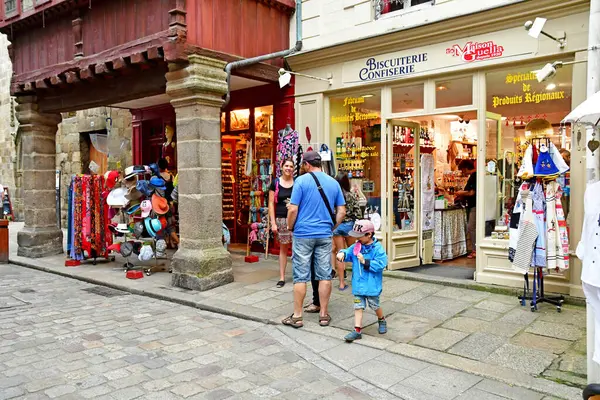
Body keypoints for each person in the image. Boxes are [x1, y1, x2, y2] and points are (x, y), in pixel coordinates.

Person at [282, 151, 346, 329]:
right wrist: (332, 227)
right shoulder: (333, 182)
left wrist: (290, 226)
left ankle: (297, 316)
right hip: (324, 234)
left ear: (306, 164)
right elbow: (342, 211)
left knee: (300, 276)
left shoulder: (301, 181)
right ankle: (324, 315)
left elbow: (293, 209)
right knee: (325, 274)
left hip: (303, 234)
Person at [336, 220, 388, 342]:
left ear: (369, 235)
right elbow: (347, 252)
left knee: (374, 305)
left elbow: (381, 264)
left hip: (371, 284)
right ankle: (357, 330)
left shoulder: (377, 248)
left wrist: (365, 261)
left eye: (359, 236)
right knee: (358, 306)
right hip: (359, 283)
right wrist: (341, 254)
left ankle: (381, 319)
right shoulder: (356, 246)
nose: (356, 238)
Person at [332, 172, 361, 291]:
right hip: (349, 225)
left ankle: (341, 283)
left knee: (340, 253)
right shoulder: (351, 195)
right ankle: (357, 280)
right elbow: (358, 212)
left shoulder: (333, 196)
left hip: (337, 226)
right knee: (354, 252)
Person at [269, 158, 295, 288]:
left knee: (297, 248)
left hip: (296, 220)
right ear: (281, 166)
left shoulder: (297, 182)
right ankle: (282, 277)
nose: (288, 168)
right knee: (283, 248)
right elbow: (271, 203)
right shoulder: (276, 183)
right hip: (281, 219)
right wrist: (273, 222)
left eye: (291, 166)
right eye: (286, 165)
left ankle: (298, 275)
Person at [455, 159, 477, 259]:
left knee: (471, 227)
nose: (462, 172)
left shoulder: (473, 176)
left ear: (465, 168)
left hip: (474, 205)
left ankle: (475, 250)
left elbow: (471, 192)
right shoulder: (476, 175)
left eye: (462, 170)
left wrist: (460, 193)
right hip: (474, 205)